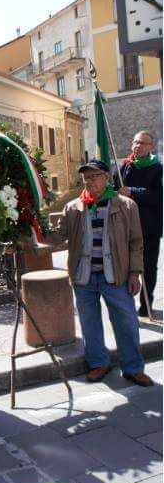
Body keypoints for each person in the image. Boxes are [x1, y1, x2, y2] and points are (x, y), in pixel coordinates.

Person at [43, 159, 153, 387]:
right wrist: (33, 228)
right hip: (84, 277)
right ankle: (98, 363)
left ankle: (133, 367)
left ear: (106, 177)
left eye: (94, 176)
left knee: (126, 323)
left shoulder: (125, 205)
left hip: (116, 276)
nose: (90, 181)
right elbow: (57, 237)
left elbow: (135, 243)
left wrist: (135, 273)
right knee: (89, 323)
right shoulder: (73, 207)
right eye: (86, 177)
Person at [115, 131, 162, 317]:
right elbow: (114, 186)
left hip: (149, 227)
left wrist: (132, 191)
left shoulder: (158, 168)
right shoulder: (125, 166)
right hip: (126, 227)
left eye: (142, 143)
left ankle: (146, 305)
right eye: (135, 142)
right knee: (125, 267)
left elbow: (157, 195)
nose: (138, 146)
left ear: (151, 147)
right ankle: (127, 305)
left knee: (148, 268)